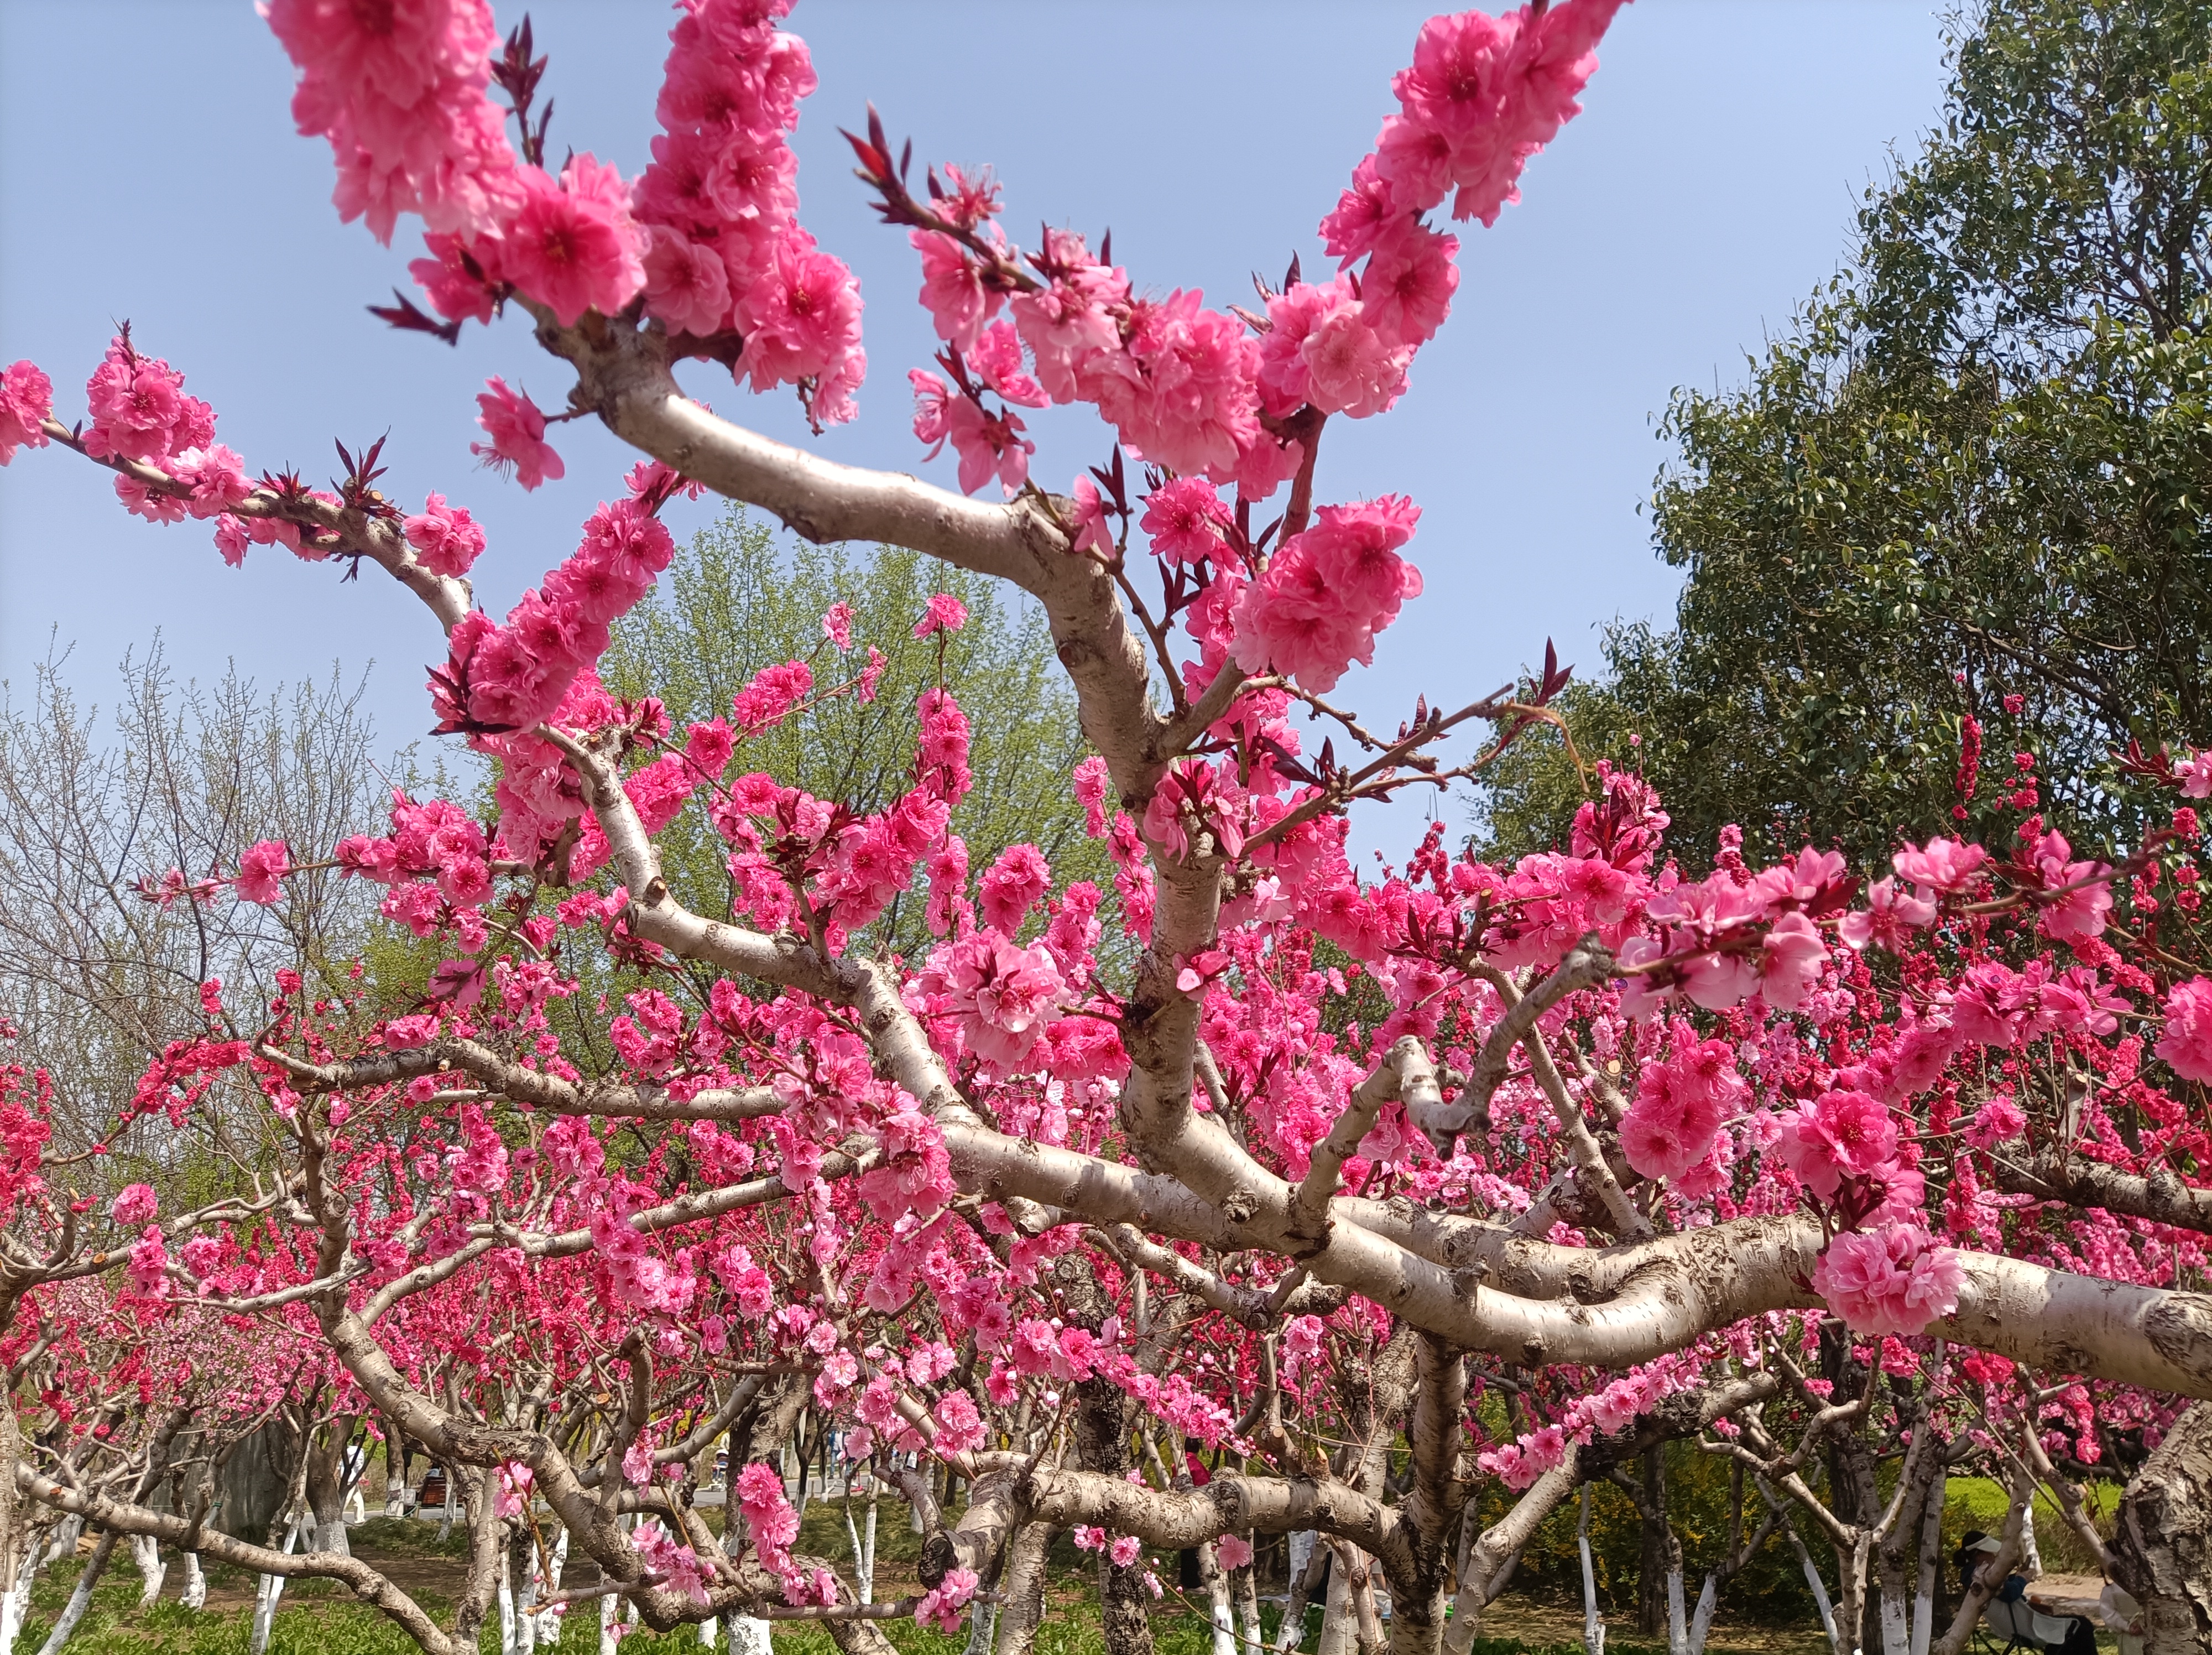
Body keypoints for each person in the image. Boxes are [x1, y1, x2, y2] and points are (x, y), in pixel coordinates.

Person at [1955, 1533, 2097, 1655]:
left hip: (2008, 1628)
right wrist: (2023, 1579)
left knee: (2070, 1629)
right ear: (1978, 1555)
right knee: (2082, 1624)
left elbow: (2001, 1589)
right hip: (2024, 1627)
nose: (1993, 1556)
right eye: (1989, 1553)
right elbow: (2010, 1593)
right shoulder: (1982, 1575)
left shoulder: (1971, 1576)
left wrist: (2016, 1577)